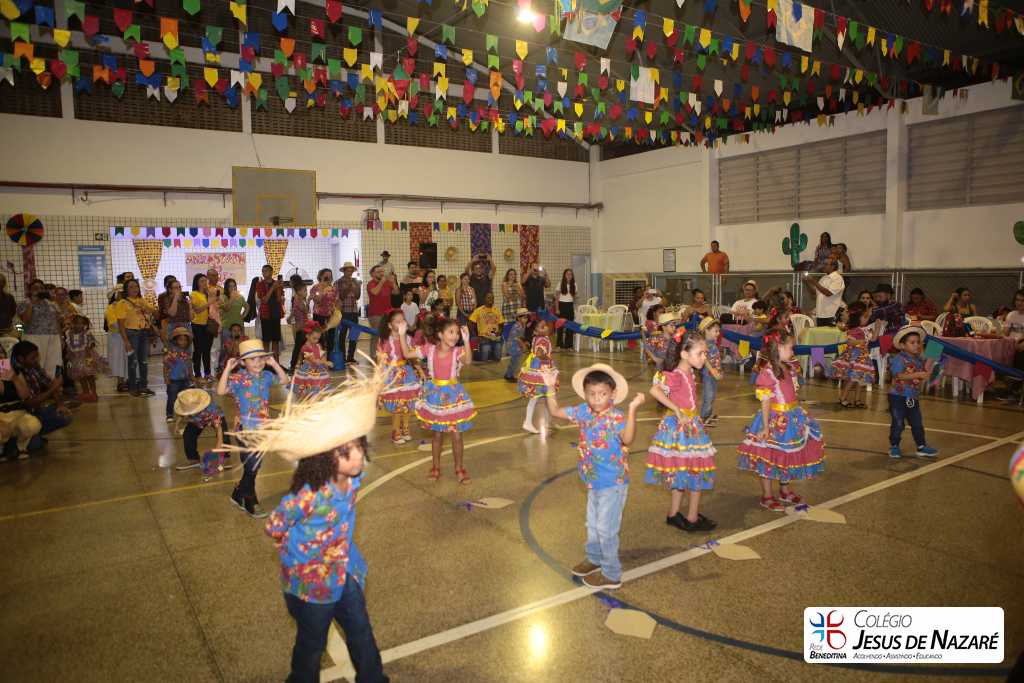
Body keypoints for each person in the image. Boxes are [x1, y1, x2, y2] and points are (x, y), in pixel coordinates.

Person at [247, 380, 388, 683]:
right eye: (346, 452)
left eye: (358, 446)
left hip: (343, 570)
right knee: (312, 646)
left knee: (360, 631)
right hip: (312, 582)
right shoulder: (308, 496)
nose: (357, 456)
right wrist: (292, 545)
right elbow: (274, 525)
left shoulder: (353, 479)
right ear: (324, 459)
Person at [540, 363, 644, 590]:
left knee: (606, 529)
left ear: (613, 394)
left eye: (602, 394)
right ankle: (595, 558)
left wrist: (632, 410)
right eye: (592, 394)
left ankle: (611, 573)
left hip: (613, 483)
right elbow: (556, 412)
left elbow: (627, 439)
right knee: (593, 524)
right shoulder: (583, 411)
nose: (597, 399)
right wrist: (549, 387)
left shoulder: (616, 418)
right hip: (592, 480)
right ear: (585, 394)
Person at [736, 330, 825, 511]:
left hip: (792, 417)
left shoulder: (788, 367)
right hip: (774, 420)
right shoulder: (767, 373)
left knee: (786, 456)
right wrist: (766, 427)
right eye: (791, 348)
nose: (793, 351)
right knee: (768, 458)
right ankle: (767, 496)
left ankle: (784, 490)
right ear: (779, 348)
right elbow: (766, 401)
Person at [645, 331, 717, 532]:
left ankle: (673, 514)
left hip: (690, 425)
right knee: (696, 470)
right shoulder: (677, 375)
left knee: (682, 472)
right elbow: (654, 390)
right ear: (685, 354)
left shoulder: (688, 372)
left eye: (705, 353)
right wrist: (676, 409)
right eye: (700, 353)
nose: (704, 357)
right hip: (682, 429)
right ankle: (692, 518)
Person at [399, 318, 476, 483]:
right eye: (451, 332)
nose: (455, 336)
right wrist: (402, 335)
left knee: (456, 435)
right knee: (437, 434)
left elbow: (468, 361)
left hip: (453, 396)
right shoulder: (430, 349)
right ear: (440, 335)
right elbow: (406, 354)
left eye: (457, 333)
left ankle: (459, 468)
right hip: (435, 396)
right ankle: (435, 467)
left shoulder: (458, 351)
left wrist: (467, 341)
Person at [218, 339, 289, 518]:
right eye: (252, 359)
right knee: (252, 465)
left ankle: (238, 493)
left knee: (254, 466)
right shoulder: (239, 378)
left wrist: (274, 364)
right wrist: (227, 369)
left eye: (261, 358)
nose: (258, 362)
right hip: (244, 429)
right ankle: (251, 500)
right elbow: (221, 391)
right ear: (243, 362)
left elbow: (284, 380)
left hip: (262, 428)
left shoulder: (267, 376)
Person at [887, 326, 940, 459]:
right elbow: (898, 376)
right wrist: (918, 374)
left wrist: (929, 373)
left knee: (917, 423)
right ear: (902, 346)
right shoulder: (899, 359)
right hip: (897, 397)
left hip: (912, 397)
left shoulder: (918, 360)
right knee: (898, 423)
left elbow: (922, 374)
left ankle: (921, 446)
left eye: (918, 342)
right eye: (912, 342)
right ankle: (894, 446)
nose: (916, 345)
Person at [11, 339, 72, 448]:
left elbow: (50, 384)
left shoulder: (35, 367)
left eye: (37, 357)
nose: (36, 360)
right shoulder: (16, 373)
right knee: (35, 444)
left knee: (64, 416)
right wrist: (54, 388)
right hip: (21, 414)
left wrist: (60, 404)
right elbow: (30, 403)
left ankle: (34, 434)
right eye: (33, 358)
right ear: (21, 359)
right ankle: (20, 438)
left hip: (35, 411)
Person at [377, 310, 422, 444]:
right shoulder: (385, 341)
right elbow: (380, 361)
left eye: (403, 320)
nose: (401, 323)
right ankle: (396, 430)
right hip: (392, 374)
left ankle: (406, 428)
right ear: (389, 325)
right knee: (397, 404)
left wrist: (419, 369)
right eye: (397, 322)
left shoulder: (408, 339)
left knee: (408, 402)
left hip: (407, 373)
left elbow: (412, 357)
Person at [832, 303, 881, 409]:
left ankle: (857, 400)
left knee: (860, 380)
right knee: (852, 379)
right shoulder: (855, 330)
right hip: (855, 357)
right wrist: (862, 341)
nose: (867, 319)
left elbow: (873, 339)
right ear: (857, 318)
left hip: (863, 358)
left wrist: (877, 327)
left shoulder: (866, 329)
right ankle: (843, 398)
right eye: (865, 317)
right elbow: (850, 342)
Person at [0, 347, 43, 460]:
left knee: (32, 425)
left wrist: (14, 378)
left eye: (2, 353)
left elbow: (25, 395)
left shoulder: (14, 370)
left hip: (17, 414)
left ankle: (18, 447)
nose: (1, 356)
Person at [173, 388, 229, 473]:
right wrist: (177, 425)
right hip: (197, 419)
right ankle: (193, 459)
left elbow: (219, 433)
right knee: (188, 435)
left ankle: (224, 458)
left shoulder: (212, 411)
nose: (188, 414)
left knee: (224, 437)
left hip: (213, 417)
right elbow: (182, 413)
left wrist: (217, 453)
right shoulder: (188, 404)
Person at [117, 279, 157, 397]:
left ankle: (143, 386)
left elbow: (155, 312)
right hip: (131, 334)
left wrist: (148, 309)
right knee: (133, 362)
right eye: (131, 287)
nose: (134, 289)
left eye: (136, 286)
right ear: (126, 289)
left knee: (144, 361)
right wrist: (126, 341)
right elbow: (121, 325)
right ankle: (133, 388)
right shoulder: (122, 303)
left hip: (144, 333)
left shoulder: (142, 300)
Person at [18, 279, 63, 377]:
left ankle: (53, 384)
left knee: (55, 364)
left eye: (41, 288)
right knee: (37, 364)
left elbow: (56, 322)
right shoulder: (24, 303)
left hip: (53, 337)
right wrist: (32, 302)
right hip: (34, 337)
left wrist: (60, 338)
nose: (39, 290)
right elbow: (25, 320)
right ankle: (37, 384)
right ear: (30, 290)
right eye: (35, 288)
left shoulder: (51, 303)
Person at [519, 318, 556, 434]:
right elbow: (539, 353)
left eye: (546, 325)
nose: (546, 328)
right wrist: (546, 357)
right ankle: (528, 422)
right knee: (535, 397)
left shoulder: (538, 338)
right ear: (535, 331)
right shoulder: (542, 340)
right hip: (540, 370)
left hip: (541, 368)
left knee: (547, 396)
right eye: (542, 327)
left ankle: (550, 421)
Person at [64, 314, 102, 403]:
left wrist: (90, 348)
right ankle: (86, 393)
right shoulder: (68, 333)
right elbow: (68, 346)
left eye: (82, 324)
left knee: (90, 376)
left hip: (86, 358)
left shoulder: (86, 333)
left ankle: (94, 393)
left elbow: (92, 343)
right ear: (73, 323)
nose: (79, 325)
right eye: (77, 323)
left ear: (85, 325)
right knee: (81, 377)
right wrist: (68, 354)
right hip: (74, 359)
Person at [292, 321, 332, 400]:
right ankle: (307, 400)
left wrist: (324, 360)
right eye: (314, 338)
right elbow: (314, 360)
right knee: (309, 386)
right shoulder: (306, 347)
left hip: (317, 369)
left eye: (318, 339)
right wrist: (326, 362)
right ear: (307, 336)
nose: (316, 340)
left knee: (317, 386)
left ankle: (315, 399)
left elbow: (321, 355)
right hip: (308, 371)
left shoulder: (317, 345)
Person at [164, 326, 194, 422]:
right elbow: (166, 366)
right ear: (176, 340)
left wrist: (192, 377)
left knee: (185, 397)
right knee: (172, 398)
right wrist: (166, 378)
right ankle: (169, 414)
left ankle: (186, 413)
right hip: (174, 380)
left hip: (185, 380)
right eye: (181, 340)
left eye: (185, 340)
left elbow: (189, 366)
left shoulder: (187, 353)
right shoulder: (172, 353)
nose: (183, 342)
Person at [802, 258, 845, 327]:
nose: (823, 266)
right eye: (823, 264)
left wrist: (813, 281)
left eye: (825, 264)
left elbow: (828, 293)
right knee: (821, 334)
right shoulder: (824, 278)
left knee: (831, 334)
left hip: (831, 315)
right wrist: (807, 282)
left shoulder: (837, 278)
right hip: (820, 315)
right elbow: (815, 292)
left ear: (833, 266)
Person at [218, 279, 248, 373]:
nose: (232, 288)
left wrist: (242, 316)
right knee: (225, 349)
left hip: (239, 327)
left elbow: (247, 307)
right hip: (227, 327)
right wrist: (231, 298)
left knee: (240, 347)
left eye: (234, 286)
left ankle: (239, 366)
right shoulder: (222, 297)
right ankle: (222, 367)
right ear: (226, 287)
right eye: (230, 286)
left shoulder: (240, 297)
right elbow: (226, 308)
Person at [366, 266, 396, 361]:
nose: (381, 273)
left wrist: (393, 281)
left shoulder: (387, 282)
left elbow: (396, 292)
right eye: (378, 271)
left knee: (387, 334)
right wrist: (382, 282)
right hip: (375, 313)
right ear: (372, 274)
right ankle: (373, 355)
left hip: (388, 313)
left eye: (382, 271)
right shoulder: (371, 283)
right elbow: (375, 292)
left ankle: (386, 353)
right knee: (376, 334)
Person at [256, 265, 285, 359]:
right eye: (263, 271)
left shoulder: (276, 283)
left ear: (271, 272)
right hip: (266, 315)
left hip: (276, 314)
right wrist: (273, 287)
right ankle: (265, 363)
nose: (264, 273)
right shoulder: (260, 284)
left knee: (276, 340)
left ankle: (276, 362)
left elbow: (279, 299)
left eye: (266, 271)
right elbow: (264, 300)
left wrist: (280, 289)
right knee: (266, 341)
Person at [190, 273, 214, 383]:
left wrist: (211, 296)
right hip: (197, 325)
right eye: (202, 281)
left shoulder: (207, 294)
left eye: (205, 281)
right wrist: (209, 303)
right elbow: (197, 310)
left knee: (207, 350)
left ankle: (208, 373)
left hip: (208, 325)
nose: (205, 283)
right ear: (197, 283)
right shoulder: (194, 294)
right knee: (198, 350)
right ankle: (198, 374)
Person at [699, 317, 723, 426]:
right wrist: (713, 371)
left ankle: (708, 414)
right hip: (708, 374)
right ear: (706, 330)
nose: (718, 333)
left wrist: (719, 371)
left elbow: (716, 359)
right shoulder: (704, 344)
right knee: (708, 395)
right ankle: (703, 417)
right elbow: (704, 359)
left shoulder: (712, 343)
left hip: (714, 373)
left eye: (718, 331)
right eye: (716, 331)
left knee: (712, 395)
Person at [311, 268, 339, 356]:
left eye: (330, 276)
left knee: (331, 337)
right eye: (326, 276)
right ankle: (319, 357)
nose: (328, 278)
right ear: (320, 276)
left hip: (331, 316)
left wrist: (336, 312)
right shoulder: (315, 288)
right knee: (319, 337)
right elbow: (317, 301)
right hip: (319, 315)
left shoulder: (334, 289)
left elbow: (336, 302)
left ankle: (329, 357)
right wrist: (322, 289)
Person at [469, 292, 504, 362]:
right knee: (484, 357)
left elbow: (501, 324)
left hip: (495, 338)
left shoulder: (497, 310)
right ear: (484, 299)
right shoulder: (478, 310)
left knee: (498, 358)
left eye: (492, 298)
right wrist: (475, 336)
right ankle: (477, 355)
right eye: (488, 298)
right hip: (484, 338)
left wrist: (499, 333)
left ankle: (492, 354)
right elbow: (470, 323)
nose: (491, 299)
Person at [105, 291, 129, 393]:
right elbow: (114, 324)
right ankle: (120, 382)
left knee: (128, 359)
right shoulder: (111, 308)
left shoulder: (128, 305)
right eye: (119, 293)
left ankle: (129, 380)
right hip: (116, 338)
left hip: (128, 336)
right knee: (118, 360)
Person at [287, 275, 310, 374]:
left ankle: (302, 365)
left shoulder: (300, 299)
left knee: (303, 347)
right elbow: (305, 310)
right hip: (301, 328)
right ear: (299, 291)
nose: (306, 292)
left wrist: (289, 318)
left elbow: (296, 311)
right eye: (305, 291)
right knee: (298, 348)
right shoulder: (298, 300)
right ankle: (292, 366)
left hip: (304, 327)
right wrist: (308, 300)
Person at [504, 308, 529, 383]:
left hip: (517, 345)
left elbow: (521, 336)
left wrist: (524, 342)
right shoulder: (516, 326)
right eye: (524, 317)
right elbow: (517, 338)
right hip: (514, 346)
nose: (526, 319)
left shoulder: (523, 325)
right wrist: (523, 345)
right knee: (515, 362)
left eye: (527, 317)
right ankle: (510, 376)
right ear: (518, 318)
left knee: (514, 361)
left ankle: (508, 374)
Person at [556, 269, 577, 350]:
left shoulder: (574, 284)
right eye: (567, 274)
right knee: (560, 326)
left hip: (570, 306)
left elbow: (574, 298)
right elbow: (557, 298)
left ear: (572, 276)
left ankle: (569, 345)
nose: (569, 276)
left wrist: (573, 306)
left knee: (570, 326)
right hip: (561, 305)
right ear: (564, 275)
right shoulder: (560, 284)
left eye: (570, 274)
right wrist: (557, 309)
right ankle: (559, 345)